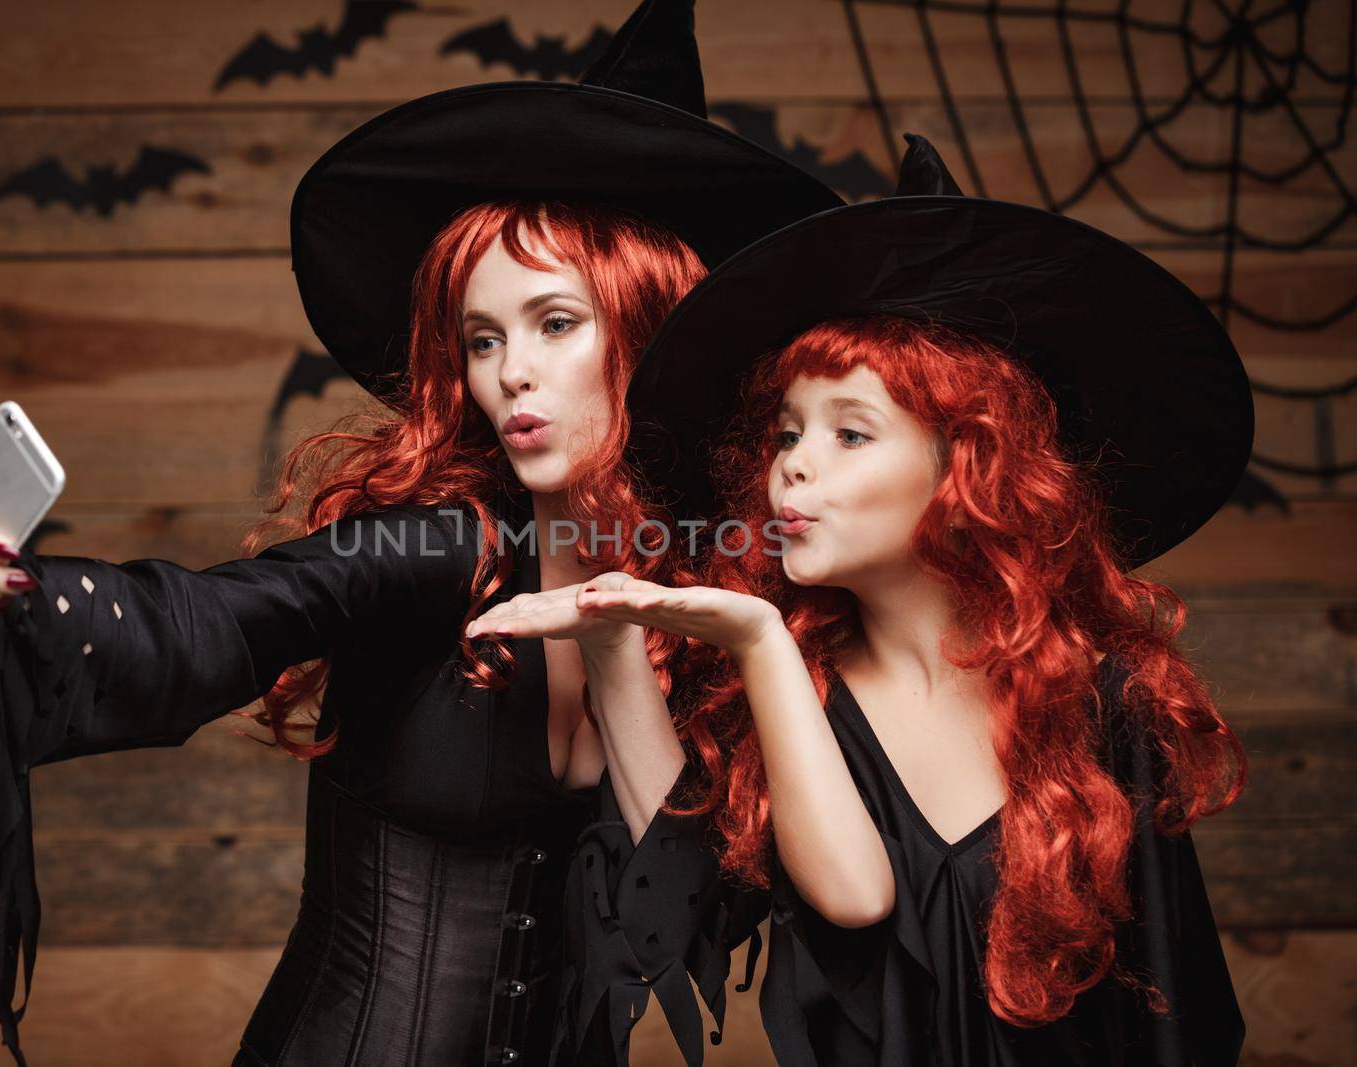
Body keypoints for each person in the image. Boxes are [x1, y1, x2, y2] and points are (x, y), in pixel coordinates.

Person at [0, 3, 844, 1064]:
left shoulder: (712, 605)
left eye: (555, 323)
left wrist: (619, 644)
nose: (510, 372)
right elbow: (218, 617)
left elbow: (681, 928)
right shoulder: (428, 551)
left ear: (649, 332)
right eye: (482, 337)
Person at [470, 135, 1253, 1066]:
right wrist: (633, 629)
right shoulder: (795, 694)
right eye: (788, 431)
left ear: (969, 470)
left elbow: (1187, 1020)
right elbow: (791, 899)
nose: (793, 462)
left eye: (851, 433)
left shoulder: (1104, 697)